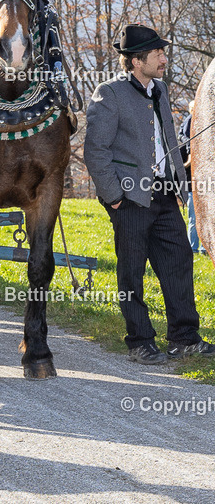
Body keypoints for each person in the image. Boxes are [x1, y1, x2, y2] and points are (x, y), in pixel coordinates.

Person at [84, 23, 215, 364]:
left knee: (179, 262)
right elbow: (96, 150)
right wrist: (114, 197)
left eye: (162, 52)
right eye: (157, 53)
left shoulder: (161, 89)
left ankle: (184, 338)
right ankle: (140, 341)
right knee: (131, 271)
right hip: (130, 199)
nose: (163, 58)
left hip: (165, 194)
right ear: (136, 60)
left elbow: (168, 140)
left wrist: (180, 187)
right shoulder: (109, 93)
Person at [180, 101, 203, 253]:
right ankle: (193, 248)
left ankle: (203, 248)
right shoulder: (190, 121)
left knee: (203, 218)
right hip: (192, 183)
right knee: (194, 218)